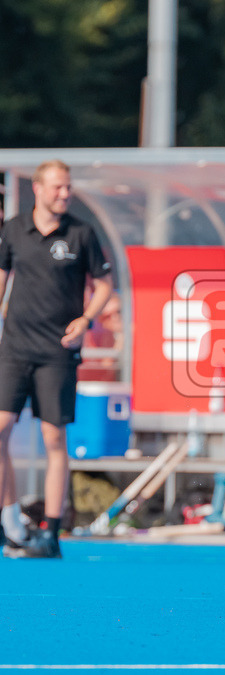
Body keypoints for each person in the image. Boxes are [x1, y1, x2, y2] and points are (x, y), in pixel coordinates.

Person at [0, 160, 114, 559]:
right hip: (14, 349)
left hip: (58, 352)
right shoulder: (13, 230)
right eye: (58, 188)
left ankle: (50, 531)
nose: (65, 194)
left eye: (68, 188)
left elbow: (103, 284)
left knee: (53, 437)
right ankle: (10, 521)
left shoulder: (81, 233)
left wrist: (85, 319)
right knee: (0, 428)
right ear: (38, 189)